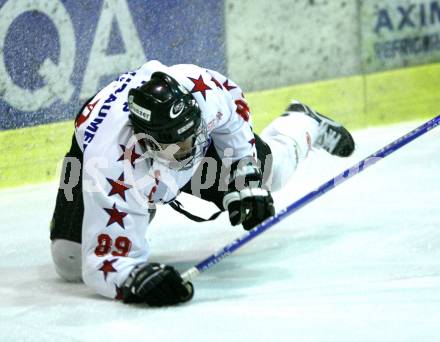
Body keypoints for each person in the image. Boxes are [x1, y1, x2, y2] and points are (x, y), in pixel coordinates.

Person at [50, 60, 355, 307]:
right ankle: (142, 201)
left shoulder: (202, 91)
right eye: (178, 143)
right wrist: (135, 279)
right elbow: (102, 264)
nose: (190, 147)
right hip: (113, 162)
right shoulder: (109, 164)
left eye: (191, 133)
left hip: (165, 153)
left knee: (270, 173)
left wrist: (246, 176)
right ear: (148, 141)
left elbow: (233, 119)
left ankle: (303, 122)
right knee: (70, 260)